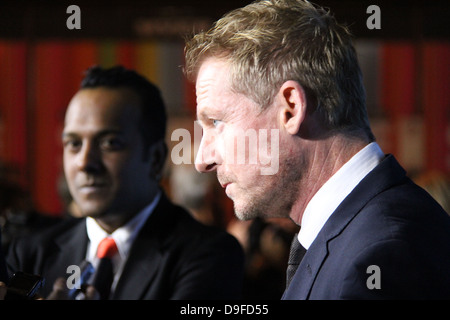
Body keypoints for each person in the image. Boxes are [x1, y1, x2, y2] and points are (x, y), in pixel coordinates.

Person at [184, 0, 450, 299]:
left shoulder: (382, 255)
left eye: (216, 121)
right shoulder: (365, 233)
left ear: (291, 108)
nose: (201, 159)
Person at [6, 65, 244, 300]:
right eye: (74, 144)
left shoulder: (208, 254)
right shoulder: (30, 254)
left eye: (109, 143)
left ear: (156, 158)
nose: (84, 162)